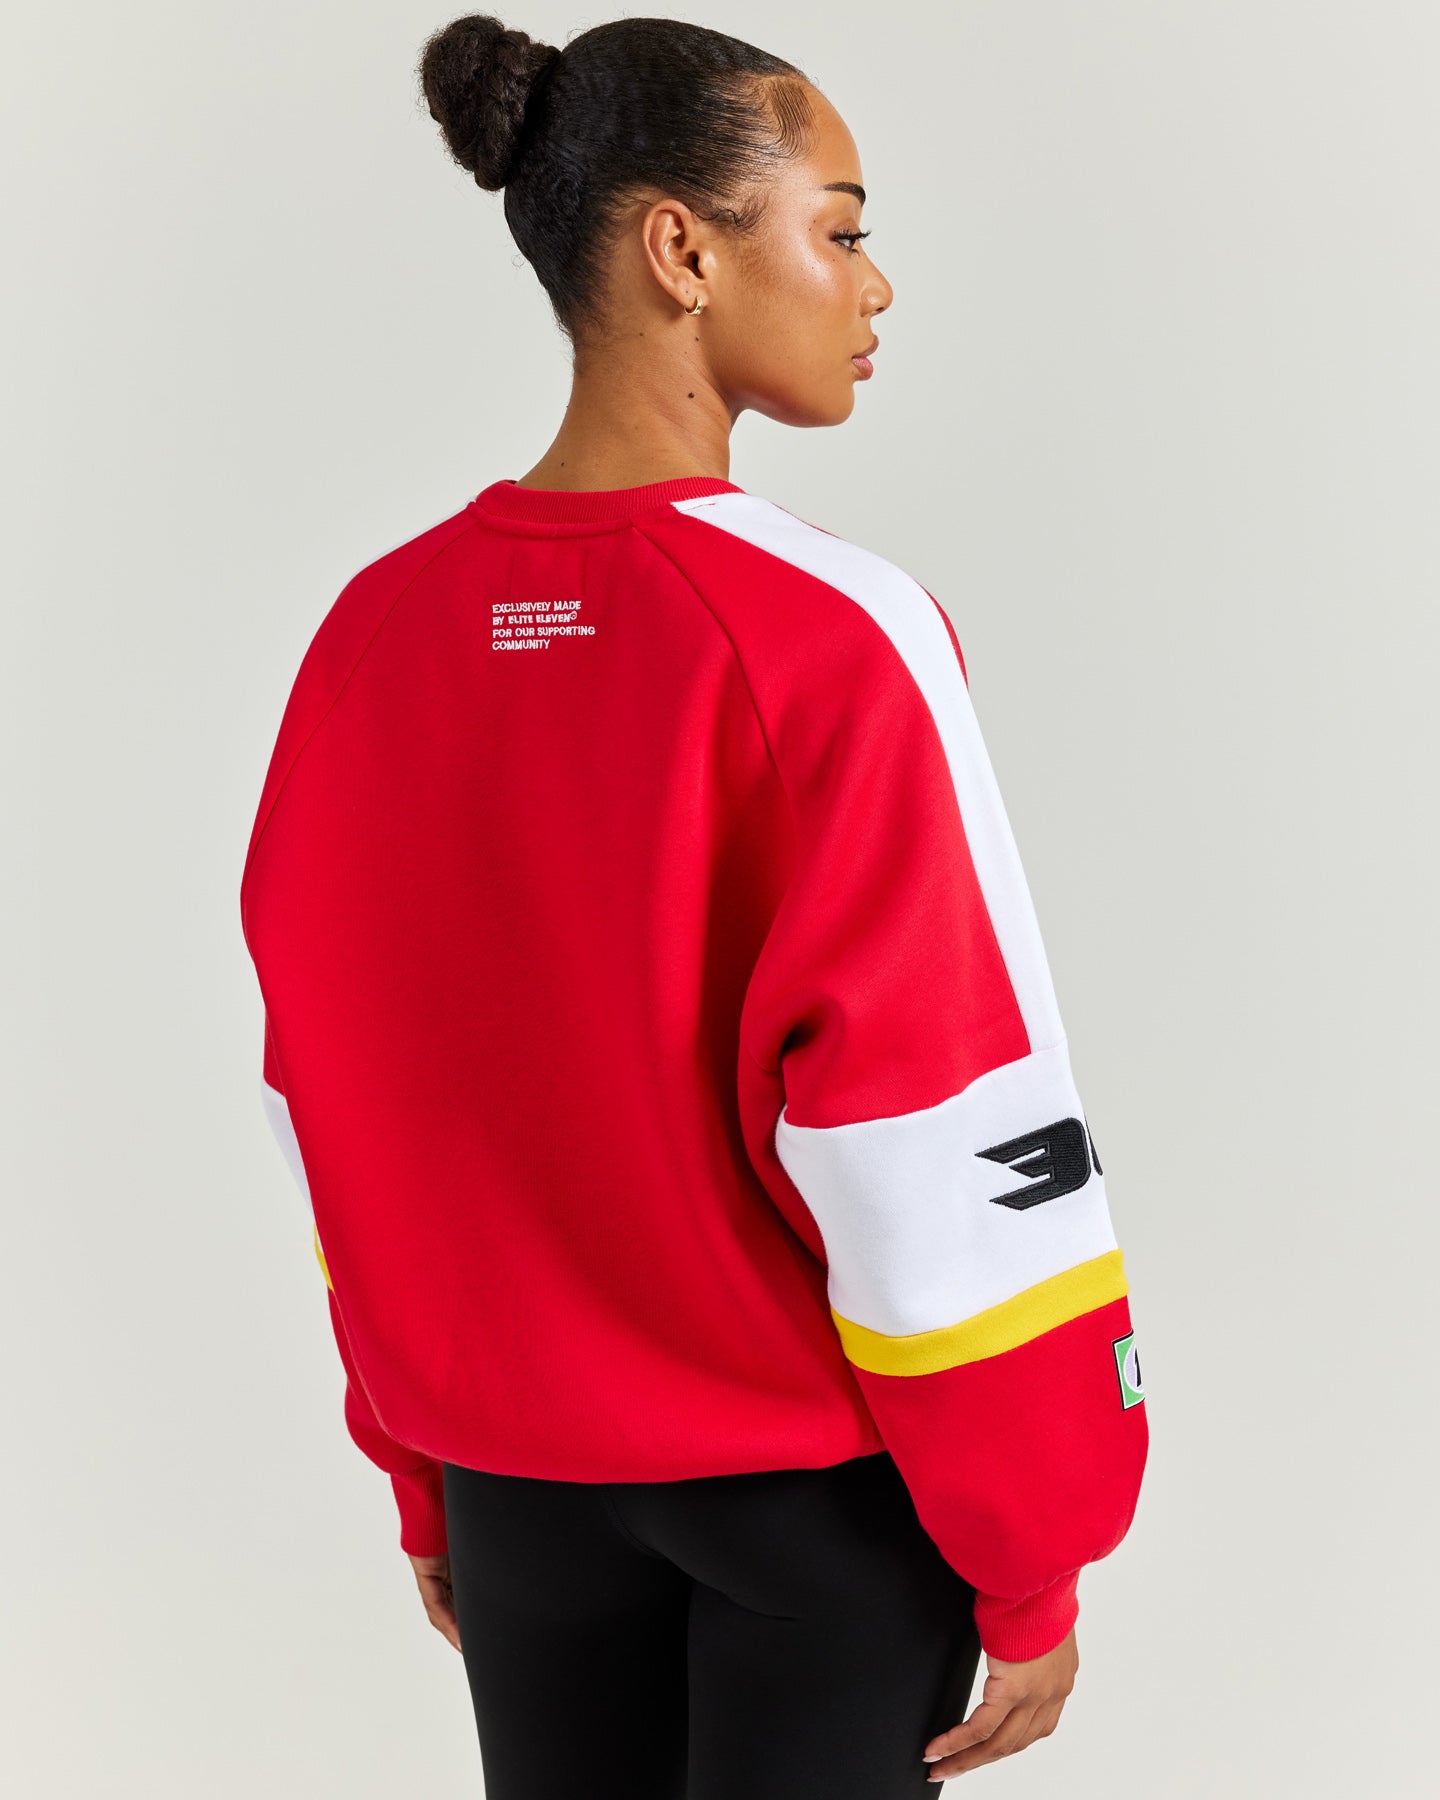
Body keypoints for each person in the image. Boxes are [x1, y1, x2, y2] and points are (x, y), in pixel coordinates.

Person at [239, 13, 1149, 1795]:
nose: (876, 286)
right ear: (682, 247)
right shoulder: (831, 632)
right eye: (843, 226)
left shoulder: (372, 634)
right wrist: (1034, 1548)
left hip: (514, 1495)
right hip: (811, 1509)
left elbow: (330, 1087)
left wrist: (422, 1468)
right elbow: (932, 1116)